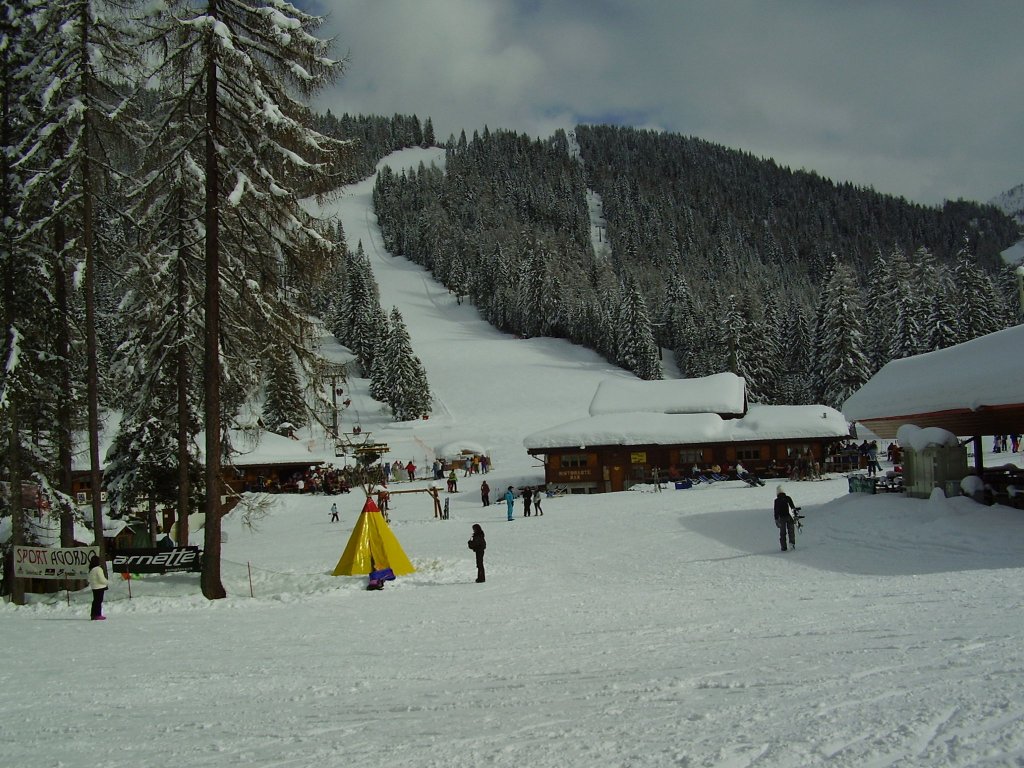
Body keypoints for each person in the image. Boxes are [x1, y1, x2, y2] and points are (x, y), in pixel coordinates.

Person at [773, 485, 798, 552]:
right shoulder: (788, 498)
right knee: (791, 531)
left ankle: (783, 547)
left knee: (782, 533)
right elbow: (793, 507)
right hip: (790, 517)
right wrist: (795, 516)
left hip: (782, 518)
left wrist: (776, 519)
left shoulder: (776, 500)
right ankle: (792, 544)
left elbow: (776, 511)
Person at [88, 554, 108, 620]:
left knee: (95, 601)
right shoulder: (98, 569)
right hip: (99, 587)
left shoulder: (91, 569)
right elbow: (101, 579)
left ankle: (93, 614)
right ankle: (98, 614)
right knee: (99, 601)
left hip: (94, 587)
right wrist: (108, 582)